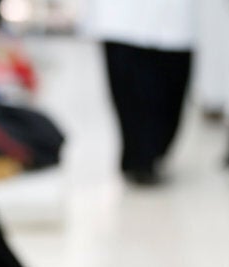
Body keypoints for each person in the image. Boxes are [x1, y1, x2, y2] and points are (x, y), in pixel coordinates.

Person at [82, 0, 196, 185]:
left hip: (173, 20)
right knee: (131, 92)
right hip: (121, 19)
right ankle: (139, 160)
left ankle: (153, 154)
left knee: (170, 90)